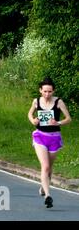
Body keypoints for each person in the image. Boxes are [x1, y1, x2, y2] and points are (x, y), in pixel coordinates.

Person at [27, 77, 72, 208]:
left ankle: (43, 187)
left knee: (49, 169)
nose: (47, 94)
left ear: (53, 91)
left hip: (54, 138)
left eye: (50, 91)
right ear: (40, 90)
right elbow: (29, 114)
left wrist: (57, 122)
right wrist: (33, 120)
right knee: (45, 166)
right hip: (40, 136)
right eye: (45, 91)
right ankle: (48, 196)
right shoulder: (36, 101)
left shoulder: (58, 102)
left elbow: (68, 119)